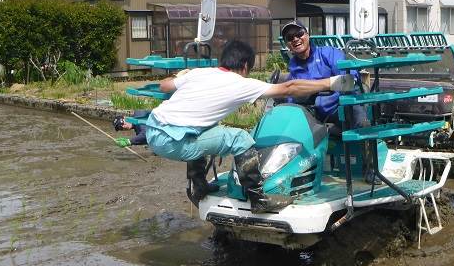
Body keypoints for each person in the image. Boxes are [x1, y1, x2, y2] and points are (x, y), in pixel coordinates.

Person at [143, 40, 355, 213]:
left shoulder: (200, 72)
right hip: (172, 140)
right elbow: (289, 87)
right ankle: (258, 198)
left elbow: (164, 85)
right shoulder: (241, 83)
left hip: (153, 129)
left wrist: (183, 74)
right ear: (245, 66)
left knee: (204, 130)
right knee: (241, 139)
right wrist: (331, 83)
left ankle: (200, 185)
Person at [281, 20, 367, 128]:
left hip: (340, 108)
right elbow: (291, 101)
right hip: (315, 116)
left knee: (355, 104)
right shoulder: (293, 68)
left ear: (307, 35)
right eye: (289, 37)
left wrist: (319, 89)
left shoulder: (328, 53)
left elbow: (350, 80)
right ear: (287, 44)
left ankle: (365, 141)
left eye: (299, 34)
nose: (295, 39)